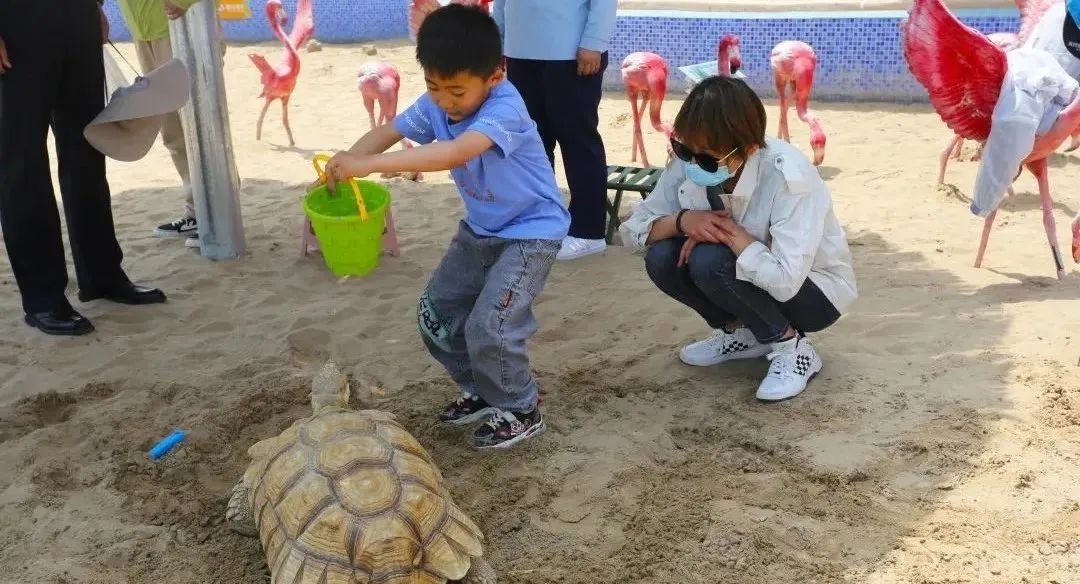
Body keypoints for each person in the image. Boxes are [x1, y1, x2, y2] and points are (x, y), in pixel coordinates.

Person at [323, 4, 569, 449]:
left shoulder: (506, 106)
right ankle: (480, 390)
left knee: (490, 326)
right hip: (480, 229)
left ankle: (520, 408)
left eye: (456, 90)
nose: (444, 100)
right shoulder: (435, 103)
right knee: (436, 317)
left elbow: (451, 154)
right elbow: (389, 131)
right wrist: (348, 160)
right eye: (434, 87)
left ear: (494, 75)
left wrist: (369, 164)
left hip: (531, 234)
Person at [621, 76, 857, 401]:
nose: (691, 162)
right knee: (662, 258)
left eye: (707, 157)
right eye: (682, 148)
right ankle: (742, 333)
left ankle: (794, 350)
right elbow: (632, 230)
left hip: (814, 294)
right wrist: (682, 221)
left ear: (748, 149)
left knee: (709, 261)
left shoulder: (787, 176)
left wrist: (730, 236)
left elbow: (787, 281)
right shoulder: (690, 158)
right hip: (751, 277)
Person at [0, 0, 166, 336]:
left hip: (76, 18)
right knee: (22, 164)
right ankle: (43, 298)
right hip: (15, 22)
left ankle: (102, 275)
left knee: (87, 151)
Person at [494, 0, 616, 261]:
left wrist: (594, 41)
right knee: (532, 143)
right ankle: (540, 222)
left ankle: (588, 231)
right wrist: (499, 40)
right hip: (520, 51)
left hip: (570, 52)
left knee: (578, 140)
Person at [116, 0, 207, 241]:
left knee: (199, 127)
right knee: (173, 129)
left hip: (182, 22)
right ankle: (196, 213)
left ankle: (216, 214)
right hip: (144, 30)